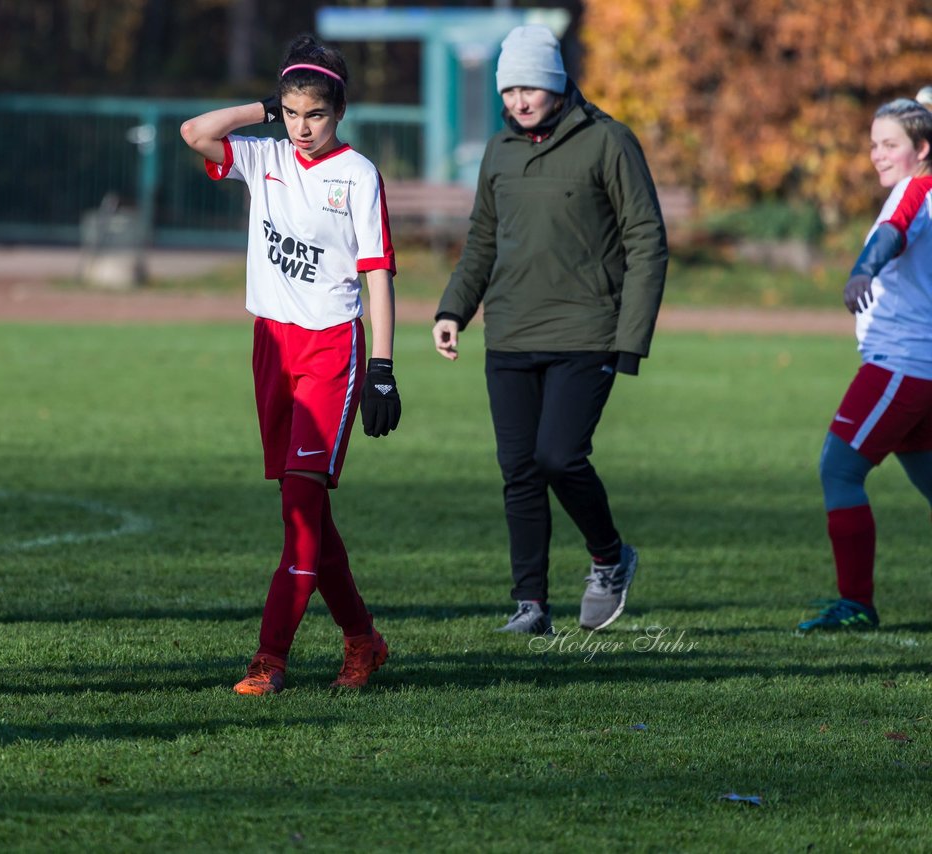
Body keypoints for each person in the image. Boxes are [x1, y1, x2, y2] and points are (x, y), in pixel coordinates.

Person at [180, 34, 400, 695]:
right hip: (272, 347)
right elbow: (195, 132)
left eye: (318, 115)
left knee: (302, 510)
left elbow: (378, 275)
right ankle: (363, 640)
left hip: (332, 347)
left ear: (340, 114)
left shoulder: (358, 174)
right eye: (294, 112)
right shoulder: (265, 154)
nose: (304, 127)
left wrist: (382, 367)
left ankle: (269, 659)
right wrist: (264, 110)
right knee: (305, 513)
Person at [432, 25, 668, 636]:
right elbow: (483, 239)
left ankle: (609, 558)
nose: (518, 99)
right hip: (509, 334)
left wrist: (630, 337)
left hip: (586, 331)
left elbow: (647, 239)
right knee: (520, 471)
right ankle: (530, 605)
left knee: (560, 457)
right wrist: (452, 310)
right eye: (508, 88)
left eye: (529, 85)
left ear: (556, 82)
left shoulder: (608, 141)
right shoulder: (499, 151)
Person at [799, 99, 932, 632]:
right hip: (917, 366)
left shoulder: (916, 190)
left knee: (839, 469)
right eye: (874, 143)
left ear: (922, 150)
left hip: (900, 364)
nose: (877, 155)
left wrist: (861, 272)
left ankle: (856, 603)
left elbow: (890, 234)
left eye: (890, 144)